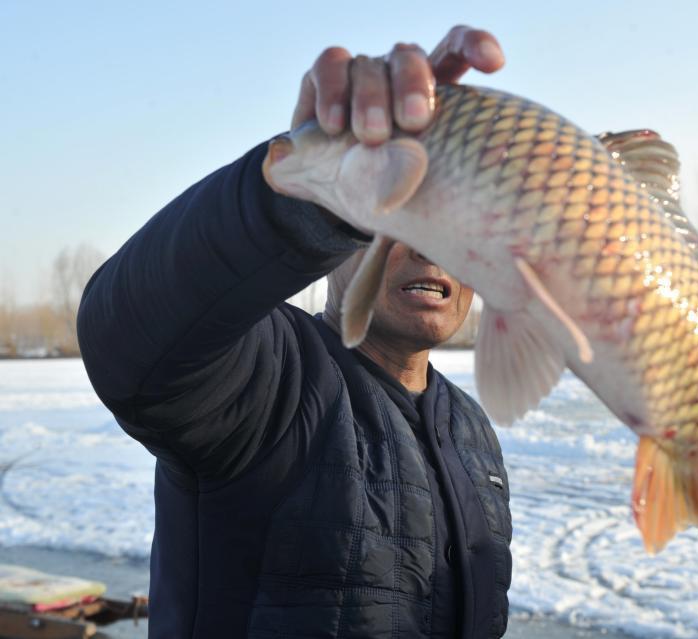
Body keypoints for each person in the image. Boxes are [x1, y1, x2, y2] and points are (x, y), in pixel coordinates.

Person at [77, 26, 513, 639]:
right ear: (340, 244)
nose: (426, 247)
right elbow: (125, 336)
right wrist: (308, 186)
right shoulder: (267, 374)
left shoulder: (471, 428)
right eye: (398, 216)